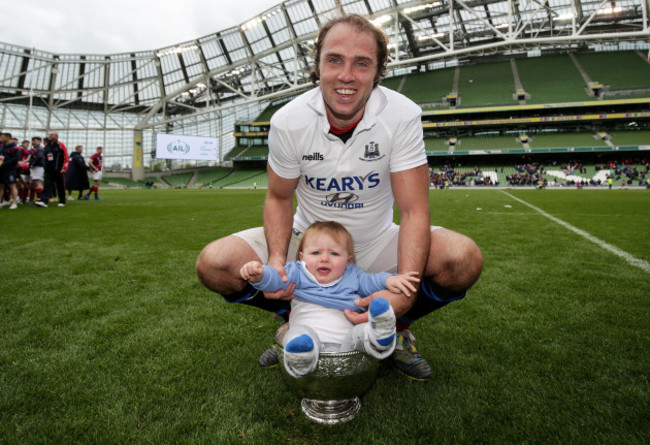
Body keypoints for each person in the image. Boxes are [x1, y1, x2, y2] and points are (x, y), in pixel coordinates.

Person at [196, 14, 483, 381]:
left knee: (462, 259)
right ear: (317, 66)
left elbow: (413, 210)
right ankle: (296, 318)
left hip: (377, 243)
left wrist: (405, 294)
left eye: (361, 63)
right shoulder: (289, 120)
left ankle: (398, 329)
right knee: (215, 264)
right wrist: (280, 261)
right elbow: (279, 199)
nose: (346, 76)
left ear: (378, 73)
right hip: (310, 243)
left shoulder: (402, 115)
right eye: (335, 60)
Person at [240, 221, 420, 377]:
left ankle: (380, 334)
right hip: (309, 332)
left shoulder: (352, 274)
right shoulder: (298, 271)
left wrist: (390, 280)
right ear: (302, 257)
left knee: (362, 335)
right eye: (316, 253)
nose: (324, 259)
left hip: (349, 339)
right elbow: (277, 279)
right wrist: (260, 275)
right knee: (298, 336)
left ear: (348, 261)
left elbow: (371, 281)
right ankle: (301, 356)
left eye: (334, 254)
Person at [39, 131, 69, 208]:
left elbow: (66, 157)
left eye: (52, 135)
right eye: (49, 135)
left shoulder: (60, 145)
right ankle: (44, 201)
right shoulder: (46, 146)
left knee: (60, 185)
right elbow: (44, 157)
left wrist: (64, 167)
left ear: (56, 136)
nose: (50, 136)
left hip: (58, 169)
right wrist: (44, 166)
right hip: (48, 169)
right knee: (47, 184)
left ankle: (62, 201)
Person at [0, 132, 20, 209]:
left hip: (10, 169)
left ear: (8, 137)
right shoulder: (2, 147)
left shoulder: (14, 148)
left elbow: (15, 159)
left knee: (12, 185)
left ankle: (14, 203)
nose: (0, 139)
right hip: (1, 169)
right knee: (0, 186)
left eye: (2, 137)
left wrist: (4, 163)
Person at [29, 137, 45, 205]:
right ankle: (36, 198)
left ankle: (40, 199)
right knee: (35, 183)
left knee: (37, 182)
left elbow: (39, 157)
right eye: (32, 141)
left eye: (35, 141)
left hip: (38, 167)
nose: (33, 142)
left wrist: (33, 164)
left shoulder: (39, 149)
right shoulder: (35, 149)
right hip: (37, 167)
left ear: (39, 141)